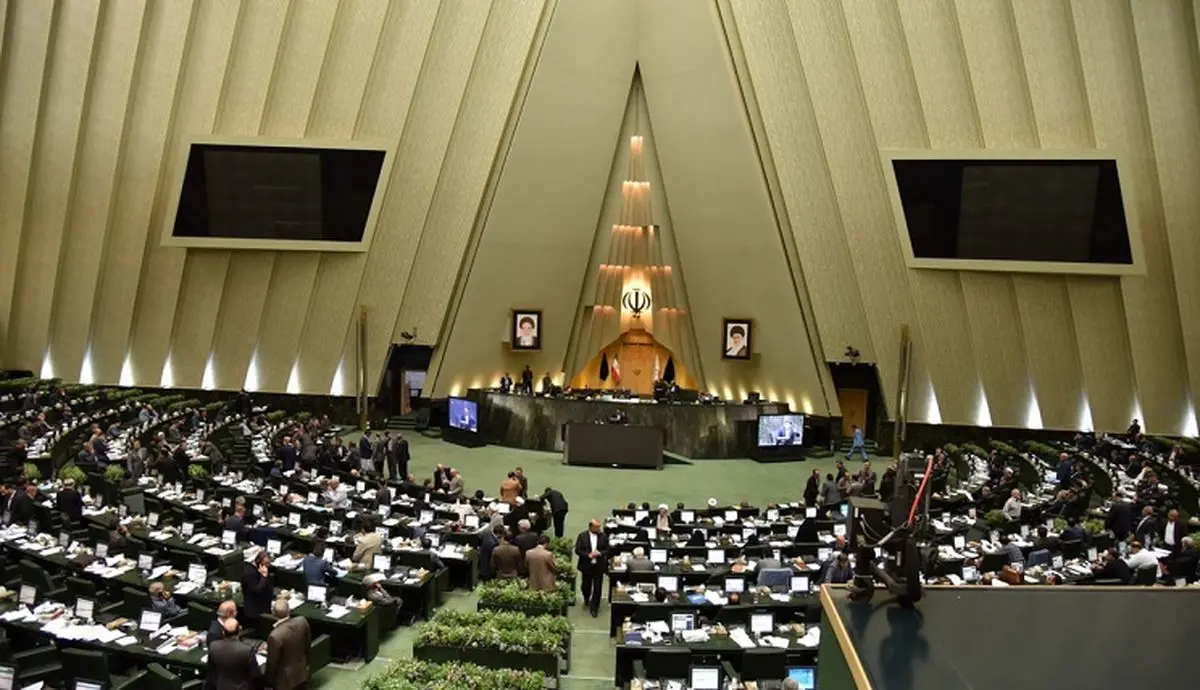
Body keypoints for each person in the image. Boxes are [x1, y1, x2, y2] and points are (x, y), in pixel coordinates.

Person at [265, 598, 311, 690]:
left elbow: (272, 663)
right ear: (289, 611)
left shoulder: (275, 636)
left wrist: (268, 682)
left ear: (273, 613)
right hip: (302, 673)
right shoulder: (302, 621)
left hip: (284, 681)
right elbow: (308, 645)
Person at [207, 616, 261, 690]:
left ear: (223, 631)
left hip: (221, 686)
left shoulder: (213, 646)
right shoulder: (247, 650)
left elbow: (211, 670)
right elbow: (255, 674)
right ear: (240, 630)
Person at [575, 519, 609, 617]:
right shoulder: (582, 536)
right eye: (596, 527)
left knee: (598, 588)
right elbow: (578, 550)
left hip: (599, 566)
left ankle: (594, 607)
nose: (599, 529)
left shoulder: (603, 536)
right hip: (586, 565)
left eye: (599, 527)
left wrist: (600, 553)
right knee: (586, 586)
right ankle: (586, 598)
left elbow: (607, 549)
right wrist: (587, 555)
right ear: (591, 527)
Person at [242, 552, 273, 621]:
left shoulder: (258, 570)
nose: (268, 567)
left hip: (263, 605)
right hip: (255, 611)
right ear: (260, 564)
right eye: (266, 564)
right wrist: (264, 576)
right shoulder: (250, 573)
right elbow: (257, 590)